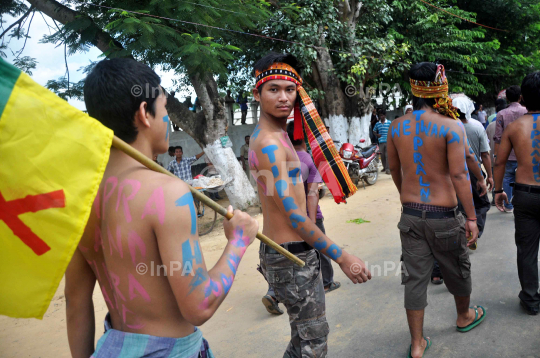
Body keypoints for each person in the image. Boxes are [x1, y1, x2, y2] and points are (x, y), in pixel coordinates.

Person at [65, 58, 259, 357]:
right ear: (145, 113)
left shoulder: (79, 199)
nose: (168, 119)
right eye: (166, 109)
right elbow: (200, 304)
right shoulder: (168, 193)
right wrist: (238, 242)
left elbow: (75, 302)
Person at [250, 52, 371, 357]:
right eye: (273, 89)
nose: (283, 98)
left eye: (290, 90)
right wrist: (342, 256)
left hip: (292, 253)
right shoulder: (269, 143)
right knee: (313, 343)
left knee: (301, 339)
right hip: (291, 255)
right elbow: (295, 216)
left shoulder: (278, 134)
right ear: (257, 93)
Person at [387, 62, 486, 357]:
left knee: (414, 278)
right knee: (457, 267)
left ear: (413, 88)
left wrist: (407, 197)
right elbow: (459, 175)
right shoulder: (451, 125)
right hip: (444, 215)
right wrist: (470, 217)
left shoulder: (396, 126)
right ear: (439, 87)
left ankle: (417, 345)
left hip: (411, 216)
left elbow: (394, 169)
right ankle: (464, 315)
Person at [494, 71, 540, 315]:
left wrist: (498, 190)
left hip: (525, 195)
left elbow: (499, 163)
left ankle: (531, 300)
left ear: (523, 98)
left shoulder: (514, 127)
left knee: (527, 250)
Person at [494, 85, 528, 212]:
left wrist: (496, 155)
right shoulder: (526, 112)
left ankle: (508, 205)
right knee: (523, 178)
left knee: (507, 177)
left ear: (507, 98)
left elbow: (498, 137)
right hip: (524, 153)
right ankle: (522, 204)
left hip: (507, 154)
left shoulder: (501, 114)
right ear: (521, 97)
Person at [486, 99, 507, 204]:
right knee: (506, 177)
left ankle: (495, 198)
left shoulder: (490, 125)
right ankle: (507, 199)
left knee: (495, 177)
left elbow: (486, 143)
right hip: (507, 156)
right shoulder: (511, 124)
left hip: (494, 156)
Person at [373, 108, 391, 174]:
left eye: (382, 115)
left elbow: (392, 129)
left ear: (385, 115)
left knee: (387, 155)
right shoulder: (377, 124)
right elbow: (374, 130)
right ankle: (384, 167)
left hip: (388, 141)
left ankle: (388, 169)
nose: (381, 117)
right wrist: (377, 135)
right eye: (380, 115)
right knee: (382, 156)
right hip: (380, 142)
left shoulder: (389, 122)